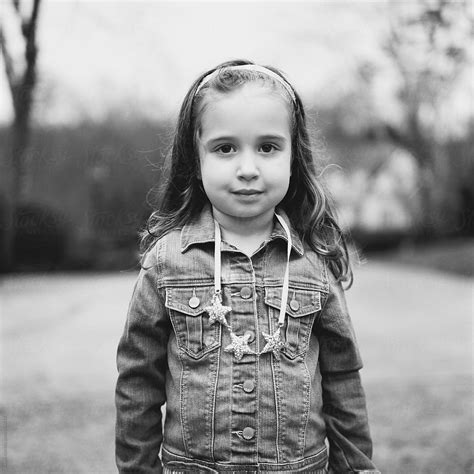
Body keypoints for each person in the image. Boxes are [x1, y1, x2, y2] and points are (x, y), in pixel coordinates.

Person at [115, 59, 380, 474]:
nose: (248, 169)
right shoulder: (166, 263)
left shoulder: (313, 262)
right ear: (195, 159)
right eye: (225, 148)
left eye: (268, 147)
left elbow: (343, 379)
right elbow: (137, 382)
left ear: (295, 156)